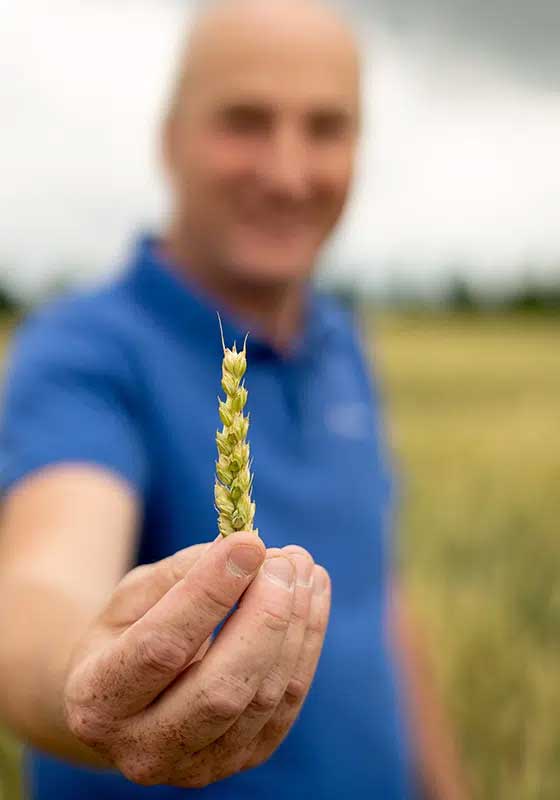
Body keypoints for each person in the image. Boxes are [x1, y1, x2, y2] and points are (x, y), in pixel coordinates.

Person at [0, 0, 469, 798]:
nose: (287, 174)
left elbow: (375, 592)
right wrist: (83, 675)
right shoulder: (79, 349)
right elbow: (38, 587)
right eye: (245, 121)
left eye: (326, 127)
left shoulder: (344, 341)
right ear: (170, 139)